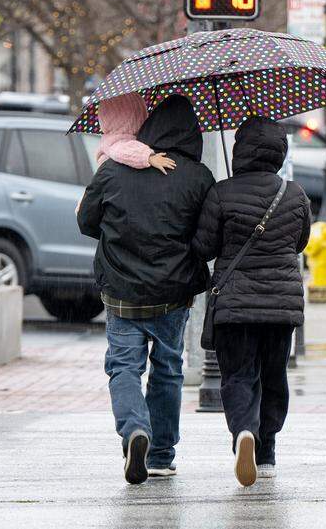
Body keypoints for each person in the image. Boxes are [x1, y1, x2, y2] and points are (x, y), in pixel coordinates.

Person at [77, 95, 215, 485]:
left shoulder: (113, 171)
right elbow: (206, 237)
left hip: (121, 290)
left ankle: (134, 429)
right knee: (168, 368)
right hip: (173, 293)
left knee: (123, 366)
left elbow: (87, 223)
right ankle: (160, 454)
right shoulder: (198, 176)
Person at [192, 116, 312, 487]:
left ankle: (244, 430)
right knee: (274, 375)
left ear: (240, 150)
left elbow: (204, 246)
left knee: (239, 374)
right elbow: (300, 242)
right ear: (279, 153)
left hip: (235, 304)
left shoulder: (221, 192)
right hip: (280, 304)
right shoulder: (294, 194)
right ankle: (268, 450)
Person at [96, 95, 177, 175]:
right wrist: (149, 157)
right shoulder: (115, 142)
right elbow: (123, 150)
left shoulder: (110, 139)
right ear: (133, 119)